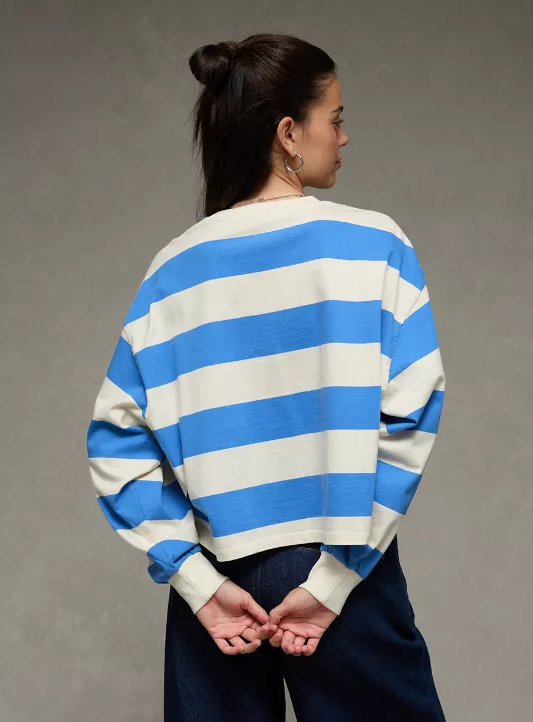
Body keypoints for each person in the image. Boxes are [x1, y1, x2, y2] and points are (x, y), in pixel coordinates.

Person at [86, 32, 447, 721]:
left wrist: (197, 581)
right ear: (288, 133)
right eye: (335, 118)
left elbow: (115, 443)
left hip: (219, 579)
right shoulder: (374, 245)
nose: (343, 136)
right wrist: (335, 578)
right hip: (339, 564)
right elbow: (410, 415)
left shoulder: (171, 272)